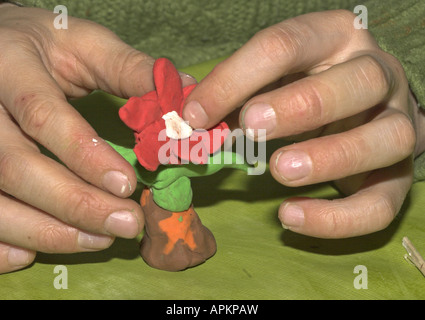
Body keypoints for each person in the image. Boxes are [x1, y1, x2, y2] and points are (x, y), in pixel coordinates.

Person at [0, 0, 423, 274]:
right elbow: (123, 157)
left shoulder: (197, 152)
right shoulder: (156, 162)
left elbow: (220, 158)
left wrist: (409, 77)